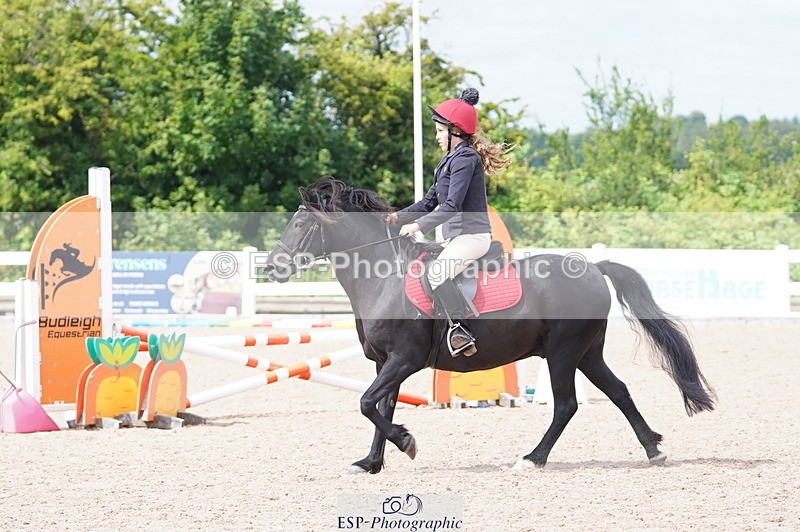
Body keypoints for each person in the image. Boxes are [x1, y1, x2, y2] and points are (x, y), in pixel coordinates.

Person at [386, 88, 513, 357]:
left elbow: (451, 205)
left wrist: (418, 227)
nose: (436, 136)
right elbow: (427, 203)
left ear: (455, 131)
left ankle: (460, 330)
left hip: (472, 236)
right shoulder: (447, 162)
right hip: (454, 238)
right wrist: (397, 217)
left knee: (436, 273)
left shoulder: (466, 159)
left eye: (440, 131)